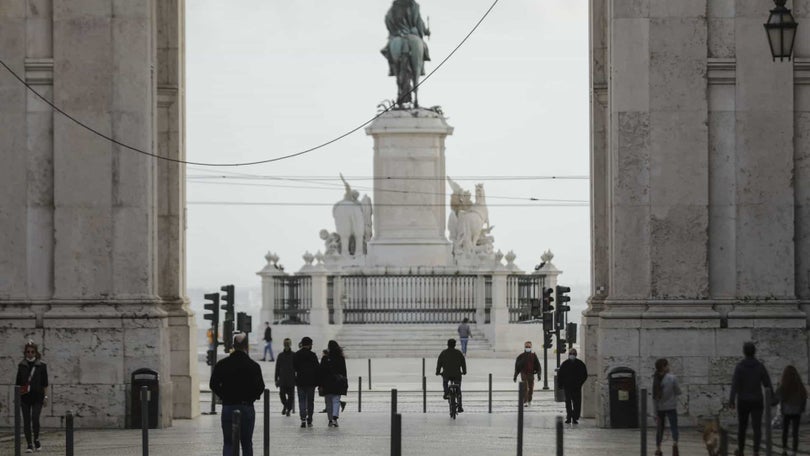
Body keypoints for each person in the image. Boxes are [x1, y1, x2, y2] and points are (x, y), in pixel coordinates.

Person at [209, 333, 265, 456]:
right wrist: (251, 397)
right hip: (247, 407)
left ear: (233, 345)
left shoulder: (222, 364)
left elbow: (213, 384)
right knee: (246, 443)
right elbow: (261, 387)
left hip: (228, 406)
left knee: (228, 442)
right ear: (246, 346)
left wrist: (224, 395)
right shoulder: (253, 366)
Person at [729, 341, 773, 456]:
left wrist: (731, 400)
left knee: (742, 427)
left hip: (743, 400)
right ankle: (756, 451)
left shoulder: (740, 367)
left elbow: (735, 384)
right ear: (754, 352)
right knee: (757, 427)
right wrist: (772, 398)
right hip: (757, 400)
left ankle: (741, 450)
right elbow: (767, 383)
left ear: (744, 352)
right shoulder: (759, 366)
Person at [15, 341, 48, 453]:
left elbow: (45, 383)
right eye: (28, 352)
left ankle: (36, 440)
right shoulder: (21, 365)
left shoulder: (42, 366)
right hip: (25, 397)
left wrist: (46, 397)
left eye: (32, 351)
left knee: (35, 418)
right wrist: (18, 397)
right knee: (26, 421)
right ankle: (29, 444)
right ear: (25, 352)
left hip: (38, 397)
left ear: (36, 352)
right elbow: (18, 383)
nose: (30, 354)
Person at [774, 365, 807, 455]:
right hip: (797, 411)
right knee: (795, 432)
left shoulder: (784, 385)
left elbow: (777, 396)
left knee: (785, 430)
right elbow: (804, 396)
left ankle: (784, 448)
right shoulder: (799, 384)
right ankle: (794, 450)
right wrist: (802, 408)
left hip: (786, 411)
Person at [651, 358, 681, 456]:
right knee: (674, 427)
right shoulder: (672, 378)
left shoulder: (656, 379)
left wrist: (655, 413)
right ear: (664, 367)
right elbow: (678, 391)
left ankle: (658, 449)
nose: (669, 367)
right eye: (667, 365)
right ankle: (675, 446)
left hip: (660, 408)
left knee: (660, 429)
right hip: (671, 407)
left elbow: (654, 398)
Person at [293, 336, 321, 428]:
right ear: (309, 345)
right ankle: (310, 419)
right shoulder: (313, 355)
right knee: (310, 401)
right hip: (311, 382)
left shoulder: (297, 354)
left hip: (300, 381)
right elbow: (317, 368)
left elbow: (294, 367)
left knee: (301, 401)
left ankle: (303, 419)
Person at [320, 340, 348, 427]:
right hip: (337, 382)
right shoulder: (340, 358)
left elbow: (321, 372)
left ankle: (330, 420)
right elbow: (344, 372)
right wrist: (345, 382)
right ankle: (335, 418)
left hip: (327, 382)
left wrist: (320, 383)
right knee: (336, 401)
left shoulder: (325, 358)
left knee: (328, 402)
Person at [558, 348, 588, 424]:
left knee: (577, 403)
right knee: (568, 402)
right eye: (571, 353)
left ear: (576, 355)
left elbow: (584, 375)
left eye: (573, 354)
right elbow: (560, 375)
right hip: (567, 386)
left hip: (576, 387)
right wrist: (561, 384)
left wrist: (580, 383)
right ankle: (569, 417)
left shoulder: (580, 364)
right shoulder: (565, 364)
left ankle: (575, 417)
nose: (572, 355)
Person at [436, 338, 466, 412]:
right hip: (457, 374)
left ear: (447, 344)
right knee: (458, 388)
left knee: (445, 382)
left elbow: (439, 363)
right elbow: (463, 363)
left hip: (446, 374)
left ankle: (446, 392)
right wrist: (464, 371)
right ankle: (459, 406)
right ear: (455, 345)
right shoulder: (459, 353)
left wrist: (438, 372)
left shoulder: (443, 353)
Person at [513, 341, 541, 407]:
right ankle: (525, 401)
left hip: (531, 374)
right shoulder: (521, 356)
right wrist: (515, 376)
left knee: (531, 388)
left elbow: (538, 366)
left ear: (531, 347)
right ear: (524, 347)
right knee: (525, 388)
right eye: (526, 347)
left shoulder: (534, 356)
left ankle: (529, 400)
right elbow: (517, 367)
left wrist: (539, 374)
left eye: (529, 347)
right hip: (524, 373)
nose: (527, 348)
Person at [274, 338, 295, 417]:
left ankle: (288, 409)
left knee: (291, 397)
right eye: (286, 344)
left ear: (290, 345)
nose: (287, 345)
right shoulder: (280, 355)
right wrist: (276, 379)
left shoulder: (294, 355)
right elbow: (277, 368)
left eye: (288, 344)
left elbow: (296, 367)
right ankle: (286, 406)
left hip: (291, 379)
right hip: (282, 379)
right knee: (282, 395)